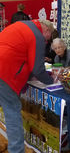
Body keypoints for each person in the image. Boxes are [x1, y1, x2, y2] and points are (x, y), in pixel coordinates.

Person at [0, 19, 54, 153]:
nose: (48, 41)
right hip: (5, 72)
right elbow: (38, 68)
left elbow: (21, 54)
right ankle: (17, 150)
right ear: (46, 30)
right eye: (49, 36)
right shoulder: (37, 35)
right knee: (12, 112)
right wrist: (51, 81)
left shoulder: (23, 25)